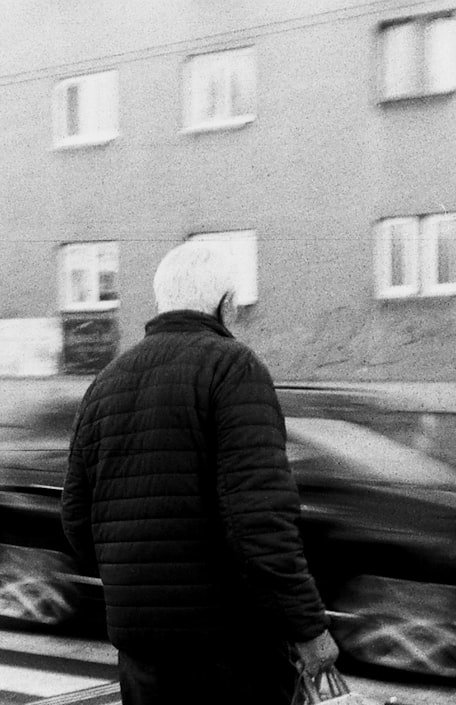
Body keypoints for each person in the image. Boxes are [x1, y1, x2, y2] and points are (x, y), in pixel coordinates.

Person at [60, 241, 338, 705]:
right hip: (228, 647)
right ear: (225, 303)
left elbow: (75, 517)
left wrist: (136, 580)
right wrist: (308, 628)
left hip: (140, 645)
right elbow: (258, 517)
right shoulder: (233, 367)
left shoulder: (105, 381)